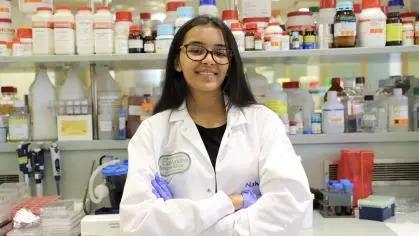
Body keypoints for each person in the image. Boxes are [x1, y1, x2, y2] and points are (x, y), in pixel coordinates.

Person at [120, 15, 311, 236]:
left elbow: (291, 205)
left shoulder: (263, 123)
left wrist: (185, 222)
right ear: (176, 61)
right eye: (196, 50)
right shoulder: (153, 132)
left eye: (220, 53)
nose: (209, 60)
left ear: (230, 65)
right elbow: (136, 223)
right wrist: (230, 203)